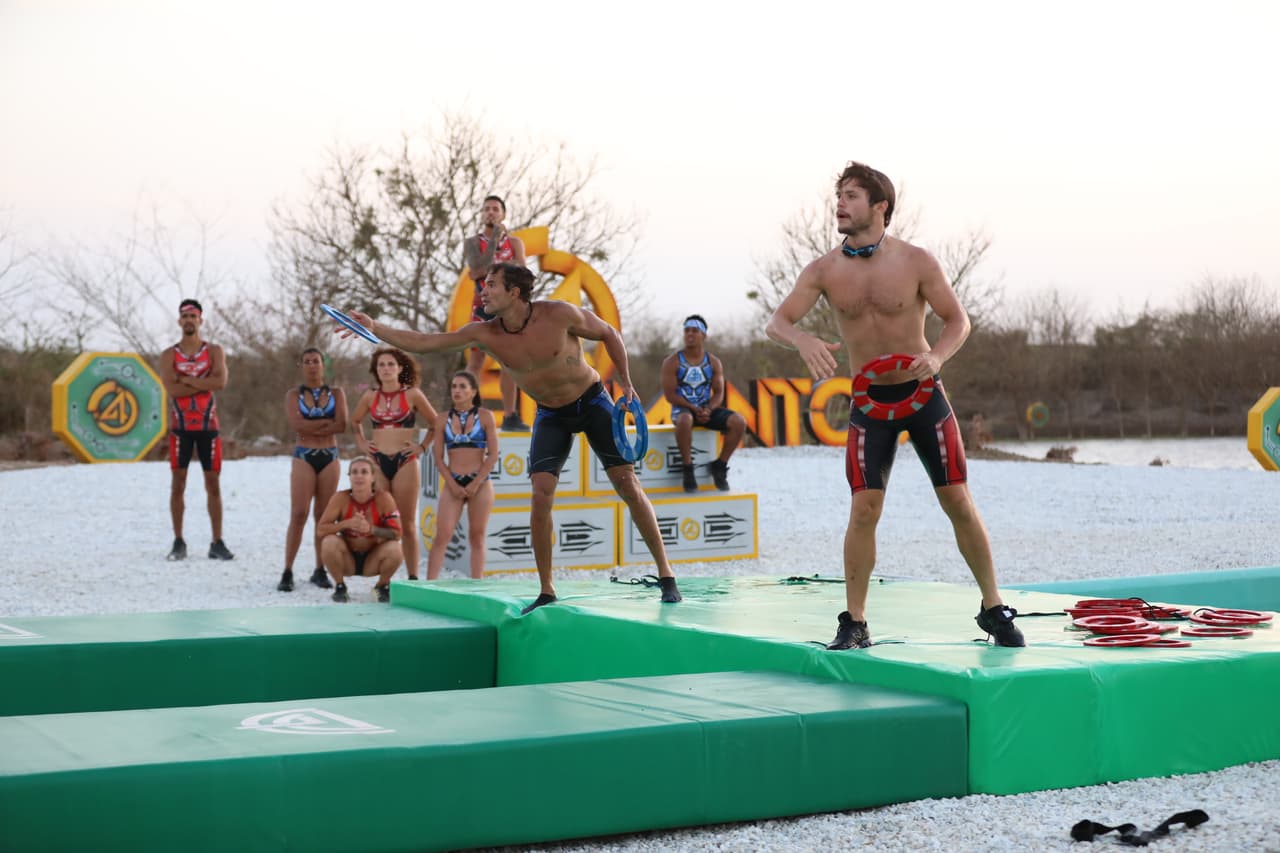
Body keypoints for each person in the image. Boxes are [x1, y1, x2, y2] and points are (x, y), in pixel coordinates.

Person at [765, 161, 1023, 650]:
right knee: (864, 510)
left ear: (880, 206)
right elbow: (777, 322)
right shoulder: (823, 269)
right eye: (838, 195)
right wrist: (801, 340)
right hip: (868, 403)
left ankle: (993, 608)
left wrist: (937, 355)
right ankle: (855, 622)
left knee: (958, 502)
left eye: (852, 196)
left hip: (924, 395)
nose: (839, 204)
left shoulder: (916, 261)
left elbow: (957, 321)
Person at [341, 262, 682, 613]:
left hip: (593, 400)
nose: (483, 291)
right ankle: (547, 590)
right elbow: (428, 343)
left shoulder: (559, 314)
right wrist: (375, 327)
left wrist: (626, 382)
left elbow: (609, 332)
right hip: (551, 414)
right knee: (540, 494)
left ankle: (666, 574)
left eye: (490, 285)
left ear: (514, 292)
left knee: (627, 483)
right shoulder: (486, 333)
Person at [350, 347, 437, 580]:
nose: (386, 369)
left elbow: (435, 423)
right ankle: (384, 579)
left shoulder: (413, 394)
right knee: (380, 521)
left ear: (400, 368)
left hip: (405, 461)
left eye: (390, 364)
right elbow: (355, 420)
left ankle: (413, 577)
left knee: (407, 524)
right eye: (381, 365)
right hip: (377, 463)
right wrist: (361, 442)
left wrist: (422, 447)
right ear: (375, 370)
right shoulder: (369, 396)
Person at [157, 297, 234, 561]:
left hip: (208, 426)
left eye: (193, 317)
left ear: (200, 320)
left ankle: (217, 541)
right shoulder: (169, 355)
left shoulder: (214, 352)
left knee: (213, 484)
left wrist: (186, 379)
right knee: (178, 484)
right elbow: (172, 388)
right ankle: (178, 541)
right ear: (179, 321)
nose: (189, 321)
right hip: (180, 428)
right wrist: (203, 381)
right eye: (185, 317)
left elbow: (221, 382)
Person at [278, 348, 348, 592]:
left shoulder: (337, 393)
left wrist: (311, 427)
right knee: (299, 514)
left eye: (316, 361)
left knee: (323, 516)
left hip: (330, 456)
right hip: (303, 456)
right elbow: (296, 424)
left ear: (323, 364)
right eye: (307, 361)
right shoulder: (293, 395)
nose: (312, 365)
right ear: (302, 365)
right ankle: (287, 570)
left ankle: (320, 569)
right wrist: (324, 426)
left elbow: (342, 424)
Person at [462, 194, 528, 431]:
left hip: (508, 310)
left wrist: (489, 272)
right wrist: (493, 244)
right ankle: (466, 413)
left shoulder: (515, 243)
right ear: (482, 215)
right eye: (487, 209)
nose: (491, 212)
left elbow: (522, 272)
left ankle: (510, 415)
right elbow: (476, 268)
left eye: (495, 209)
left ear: (504, 214)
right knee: (476, 360)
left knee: (508, 361)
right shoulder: (472, 242)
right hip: (482, 307)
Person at [660, 314, 748, 492]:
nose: (690, 334)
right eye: (686, 330)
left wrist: (709, 409)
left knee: (739, 422)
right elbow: (670, 395)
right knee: (685, 420)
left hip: (706, 409)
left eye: (695, 330)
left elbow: (719, 392)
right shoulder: (672, 362)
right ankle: (688, 469)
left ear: (704, 335)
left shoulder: (714, 362)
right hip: (683, 409)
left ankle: (720, 465)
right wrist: (693, 407)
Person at [427, 370, 499, 580]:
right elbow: (438, 458)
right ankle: (429, 586)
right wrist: (452, 484)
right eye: (454, 386)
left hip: (480, 483)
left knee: (477, 537)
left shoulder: (485, 416)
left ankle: (477, 584)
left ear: (473, 391)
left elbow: (493, 455)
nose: (457, 391)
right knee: (442, 536)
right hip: (453, 482)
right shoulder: (442, 420)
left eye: (462, 387)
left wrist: (476, 484)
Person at [315, 455, 403, 602]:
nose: (359, 476)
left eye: (364, 472)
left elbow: (398, 533)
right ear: (349, 477)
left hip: (373, 558)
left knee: (396, 549)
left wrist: (371, 530)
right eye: (354, 472)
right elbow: (321, 530)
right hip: (347, 558)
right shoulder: (340, 498)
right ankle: (340, 586)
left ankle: (381, 586)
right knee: (328, 542)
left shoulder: (384, 498)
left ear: (373, 477)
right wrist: (345, 524)